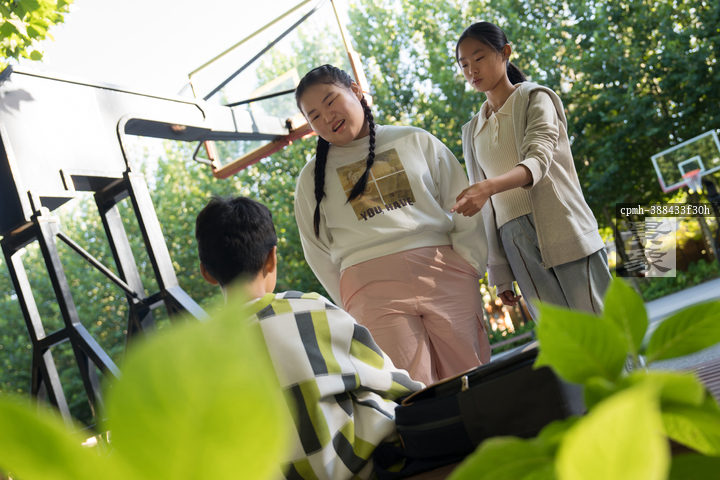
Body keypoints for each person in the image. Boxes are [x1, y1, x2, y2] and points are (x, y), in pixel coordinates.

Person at [195, 195, 424, 480]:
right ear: (271, 258)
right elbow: (395, 384)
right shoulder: (312, 310)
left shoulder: (198, 355)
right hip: (360, 471)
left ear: (206, 272)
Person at [293, 64, 491, 386]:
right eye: (314, 116)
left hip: (444, 274)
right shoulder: (309, 179)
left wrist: (470, 264)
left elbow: (461, 201)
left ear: (355, 90)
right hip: (370, 292)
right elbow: (316, 251)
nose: (327, 117)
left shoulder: (414, 139)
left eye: (331, 101)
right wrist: (351, 302)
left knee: (473, 378)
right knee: (412, 391)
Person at [452, 22, 612, 319]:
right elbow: (488, 212)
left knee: (603, 327)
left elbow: (538, 160)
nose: (472, 70)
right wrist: (499, 271)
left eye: (479, 57)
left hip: (562, 224)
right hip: (514, 240)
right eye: (463, 64)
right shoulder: (471, 131)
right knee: (560, 338)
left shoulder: (535, 98)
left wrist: (488, 188)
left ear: (505, 52)